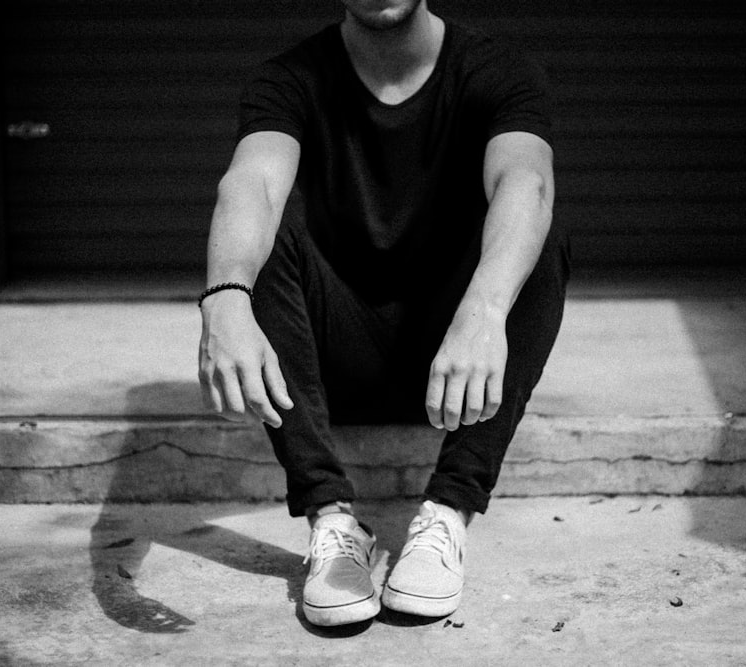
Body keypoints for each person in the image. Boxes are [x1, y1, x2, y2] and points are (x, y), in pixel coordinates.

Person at [198, 0, 570, 627]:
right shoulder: (289, 78)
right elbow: (252, 184)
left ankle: (448, 513)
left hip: (453, 358)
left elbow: (526, 181)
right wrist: (225, 296)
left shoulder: (496, 72)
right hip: (329, 357)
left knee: (532, 229)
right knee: (258, 238)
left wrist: (482, 311)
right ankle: (332, 520)